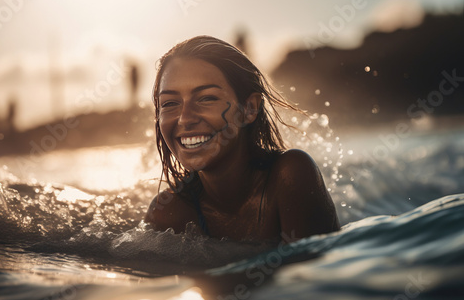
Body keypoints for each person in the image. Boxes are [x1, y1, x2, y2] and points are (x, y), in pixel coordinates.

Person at [145, 35, 339, 243]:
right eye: (169, 103)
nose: (185, 118)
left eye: (207, 98)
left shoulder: (290, 176)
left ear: (249, 108)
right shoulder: (168, 213)